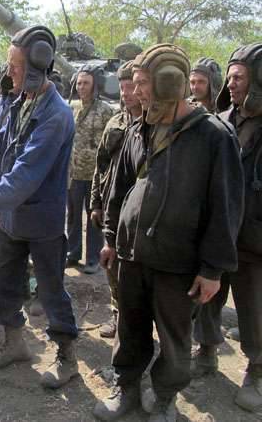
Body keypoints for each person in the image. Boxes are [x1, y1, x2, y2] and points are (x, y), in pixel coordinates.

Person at [94, 44, 243, 422]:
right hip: (132, 256)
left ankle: (163, 399)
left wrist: (212, 270)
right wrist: (111, 237)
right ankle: (126, 388)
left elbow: (226, 208)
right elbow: (119, 187)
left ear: (168, 83)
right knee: (130, 329)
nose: (135, 90)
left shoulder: (214, 136)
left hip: (179, 263)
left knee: (175, 341)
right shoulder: (140, 127)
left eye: (142, 83)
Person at [0, 25, 79, 389]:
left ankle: (67, 358)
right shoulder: (22, 102)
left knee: (51, 290)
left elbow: (25, 175)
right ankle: (15, 344)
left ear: (38, 66)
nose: (9, 74)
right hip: (12, 218)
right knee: (5, 281)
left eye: (16, 66)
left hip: (42, 222)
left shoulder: (56, 115)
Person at [194, 43, 262, 413]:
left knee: (253, 308)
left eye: (240, 77)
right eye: (230, 77)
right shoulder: (220, 121)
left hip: (253, 240)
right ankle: (206, 352)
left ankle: (258, 370)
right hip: (218, 233)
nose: (232, 84)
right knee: (207, 298)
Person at [90, 60, 141, 338]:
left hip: (140, 212)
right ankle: (118, 315)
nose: (126, 93)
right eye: (122, 88)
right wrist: (95, 203)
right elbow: (100, 166)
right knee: (112, 266)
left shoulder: (153, 125)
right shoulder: (114, 123)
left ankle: (136, 322)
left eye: (131, 87)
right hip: (112, 209)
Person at [67, 64, 114, 273]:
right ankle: (73, 252)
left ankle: (94, 259)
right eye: (79, 83)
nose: (81, 87)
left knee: (94, 216)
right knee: (73, 215)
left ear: (94, 85)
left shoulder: (105, 111)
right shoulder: (72, 107)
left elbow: (111, 143)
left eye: (86, 83)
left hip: (95, 175)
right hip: (74, 173)